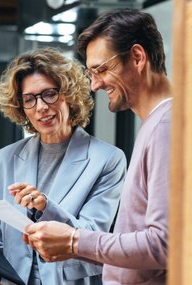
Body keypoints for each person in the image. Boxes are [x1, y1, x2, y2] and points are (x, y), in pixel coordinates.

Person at [23, 9, 172, 285]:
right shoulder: (156, 124)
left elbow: (163, 244)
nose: (94, 84)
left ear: (137, 58)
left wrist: (74, 240)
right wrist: (68, 241)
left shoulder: (165, 126)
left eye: (102, 69)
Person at [0, 48, 127, 284]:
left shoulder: (108, 159)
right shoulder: (5, 158)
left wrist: (46, 206)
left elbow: (90, 236)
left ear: (69, 94)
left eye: (49, 94)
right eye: (29, 99)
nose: (41, 107)